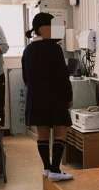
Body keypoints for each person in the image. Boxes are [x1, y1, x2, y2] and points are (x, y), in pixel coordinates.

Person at [22, 12, 73, 181]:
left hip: (36, 98)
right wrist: (68, 97)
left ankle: (46, 168)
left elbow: (25, 78)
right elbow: (63, 76)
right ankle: (56, 170)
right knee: (60, 132)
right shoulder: (54, 48)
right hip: (56, 97)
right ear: (43, 29)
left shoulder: (28, 50)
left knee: (42, 135)